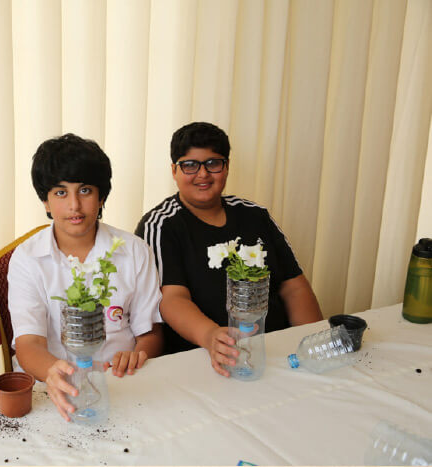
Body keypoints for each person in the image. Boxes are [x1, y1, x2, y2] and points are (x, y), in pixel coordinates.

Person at [135, 122, 323, 377]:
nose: (203, 174)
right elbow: (171, 299)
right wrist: (210, 336)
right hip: (205, 358)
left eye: (213, 163)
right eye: (190, 165)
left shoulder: (255, 215)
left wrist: (313, 341)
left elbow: (293, 287)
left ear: (226, 167)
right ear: (174, 170)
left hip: (275, 351)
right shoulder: (160, 224)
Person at [8, 133, 163, 421]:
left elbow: (150, 332)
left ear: (101, 197)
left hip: (122, 384)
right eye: (60, 193)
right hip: (51, 389)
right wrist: (54, 372)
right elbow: (29, 343)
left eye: (85, 190)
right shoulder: (27, 258)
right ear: (45, 201)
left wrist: (138, 354)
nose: (74, 206)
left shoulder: (135, 251)